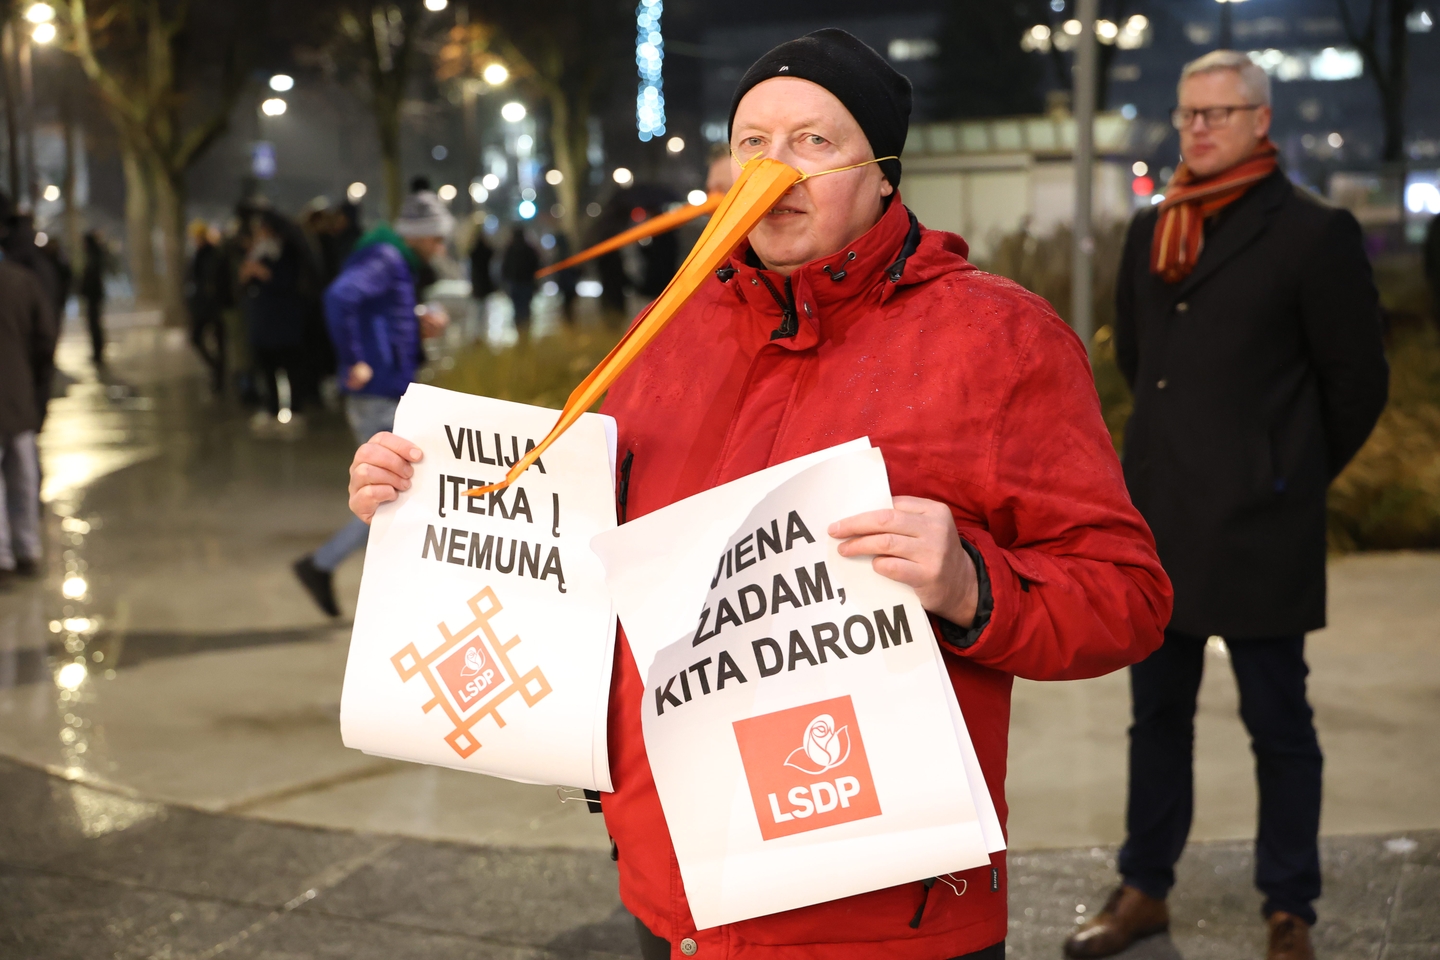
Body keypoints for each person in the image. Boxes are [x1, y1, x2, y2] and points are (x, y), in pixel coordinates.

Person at [345, 29, 1171, 960]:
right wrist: (430, 497)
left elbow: (1130, 598)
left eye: (814, 143)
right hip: (676, 892)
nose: (774, 170)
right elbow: (592, 552)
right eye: (752, 144)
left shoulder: (998, 341)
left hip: (881, 911)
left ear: (884, 173)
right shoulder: (672, 327)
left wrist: (973, 587)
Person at [1064, 51, 1389, 960]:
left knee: (1278, 722)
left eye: (1218, 113)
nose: (1198, 129)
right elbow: (1140, 360)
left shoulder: (1312, 233)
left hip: (1261, 524)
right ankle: (1144, 887)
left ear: (1259, 120)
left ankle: (1291, 905)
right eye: (1187, 114)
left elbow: (1356, 384)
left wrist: (1283, 470)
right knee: (1154, 719)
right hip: (1159, 519)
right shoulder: (1153, 230)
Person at [292, 190, 453, 617]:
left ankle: (323, 566)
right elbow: (340, 297)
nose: (440, 247)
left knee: (397, 489)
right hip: (376, 391)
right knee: (395, 491)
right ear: (419, 235)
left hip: (386, 386)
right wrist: (355, 359)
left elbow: (379, 315)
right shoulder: (386, 258)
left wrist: (416, 326)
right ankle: (323, 566)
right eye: (437, 238)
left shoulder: (395, 259)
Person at [0, 214, 58, 585]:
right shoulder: (22, 282)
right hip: (18, 393)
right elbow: (44, 342)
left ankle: (2, 556)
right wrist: (38, 392)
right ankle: (27, 548)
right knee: (23, 471)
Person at [239, 210, 311, 424]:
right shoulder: (256, 253)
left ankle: (295, 409)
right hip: (262, 320)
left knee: (290, 366)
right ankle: (271, 408)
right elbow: (243, 284)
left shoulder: (289, 252)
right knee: (266, 367)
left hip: (285, 320)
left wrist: (263, 272)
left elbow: (289, 282)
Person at [186, 221, 229, 394]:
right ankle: (217, 369)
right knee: (198, 338)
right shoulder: (198, 255)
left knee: (219, 342)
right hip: (202, 305)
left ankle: (219, 375)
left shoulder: (214, 255)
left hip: (213, 305)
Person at [500, 228, 540, 332]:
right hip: (526, 283)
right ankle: (525, 329)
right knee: (526, 307)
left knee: (517, 308)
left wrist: (505, 281)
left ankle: (520, 329)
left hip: (515, 283)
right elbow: (536, 265)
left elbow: (505, 268)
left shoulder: (510, 249)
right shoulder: (529, 249)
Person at [79, 230, 107, 368]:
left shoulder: (93, 258)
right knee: (94, 324)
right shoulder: (94, 256)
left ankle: (98, 352)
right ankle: (97, 351)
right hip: (94, 296)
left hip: (93, 296)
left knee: (94, 324)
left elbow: (92, 279)